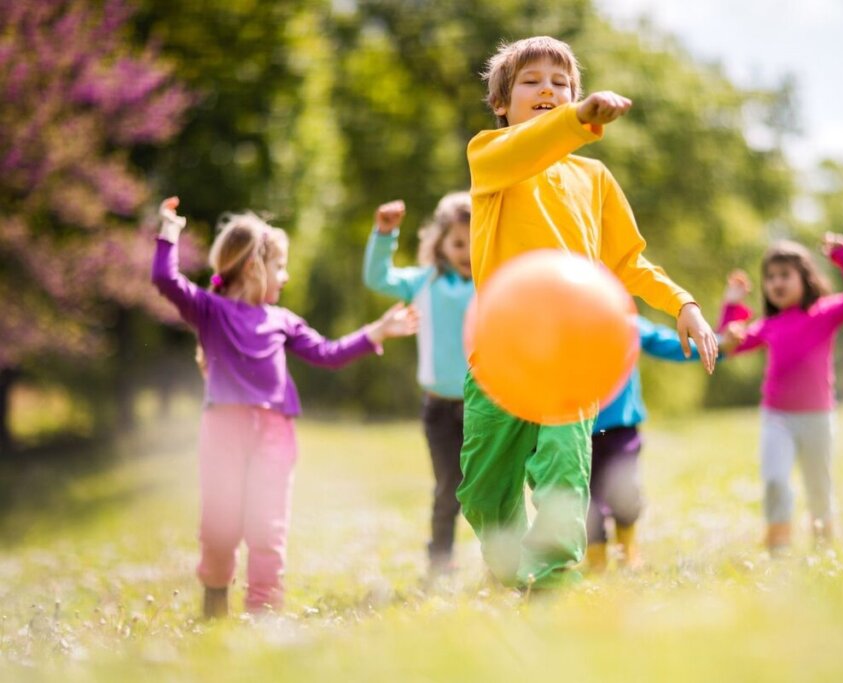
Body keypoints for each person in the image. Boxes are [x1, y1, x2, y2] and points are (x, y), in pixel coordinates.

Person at [457, 35, 718, 591]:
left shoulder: (595, 179)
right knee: (482, 489)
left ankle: (550, 581)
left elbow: (627, 261)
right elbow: (528, 148)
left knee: (563, 475)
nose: (547, 89)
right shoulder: (490, 157)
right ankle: (506, 564)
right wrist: (576, 117)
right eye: (531, 81)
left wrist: (683, 302)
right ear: (502, 103)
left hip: (570, 356)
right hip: (500, 355)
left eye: (561, 81)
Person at [152, 197, 418, 616]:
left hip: (275, 435)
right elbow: (166, 280)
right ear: (254, 267)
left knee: (267, 529)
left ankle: (264, 613)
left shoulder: (283, 321)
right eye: (279, 266)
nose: (286, 275)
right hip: (224, 430)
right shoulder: (210, 311)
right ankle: (215, 600)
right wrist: (169, 231)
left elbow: (328, 353)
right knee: (220, 527)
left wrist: (376, 331)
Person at [718, 232, 843, 554]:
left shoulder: (825, 312)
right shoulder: (769, 324)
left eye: (784, 275)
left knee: (818, 487)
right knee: (775, 480)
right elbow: (729, 345)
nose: (776, 282)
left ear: (805, 278)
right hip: (776, 418)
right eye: (770, 277)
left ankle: (824, 546)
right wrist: (732, 306)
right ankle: (778, 545)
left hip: (818, 418)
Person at [362, 193, 473, 577]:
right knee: (448, 488)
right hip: (439, 408)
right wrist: (384, 235)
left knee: (494, 488)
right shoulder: (424, 283)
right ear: (439, 242)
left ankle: (504, 558)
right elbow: (378, 278)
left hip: (487, 407)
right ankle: (440, 560)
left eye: (476, 242)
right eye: (459, 243)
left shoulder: (494, 283)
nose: (467, 252)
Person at [585, 317, 706, 573]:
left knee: (625, 490)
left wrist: (716, 343)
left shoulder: (624, 320)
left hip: (621, 426)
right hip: (580, 430)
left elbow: (667, 343)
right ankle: (595, 560)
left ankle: (628, 551)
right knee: (586, 499)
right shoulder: (564, 320)